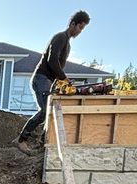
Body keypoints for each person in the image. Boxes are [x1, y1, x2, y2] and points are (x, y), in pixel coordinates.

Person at [16, 10, 89, 151]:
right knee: (44, 111)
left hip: (49, 81)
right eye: (80, 27)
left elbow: (57, 66)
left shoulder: (67, 43)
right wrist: (63, 78)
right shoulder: (60, 38)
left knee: (50, 112)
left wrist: (60, 81)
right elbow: (52, 60)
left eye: (83, 29)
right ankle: (21, 140)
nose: (80, 31)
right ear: (73, 24)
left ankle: (42, 143)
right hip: (41, 78)